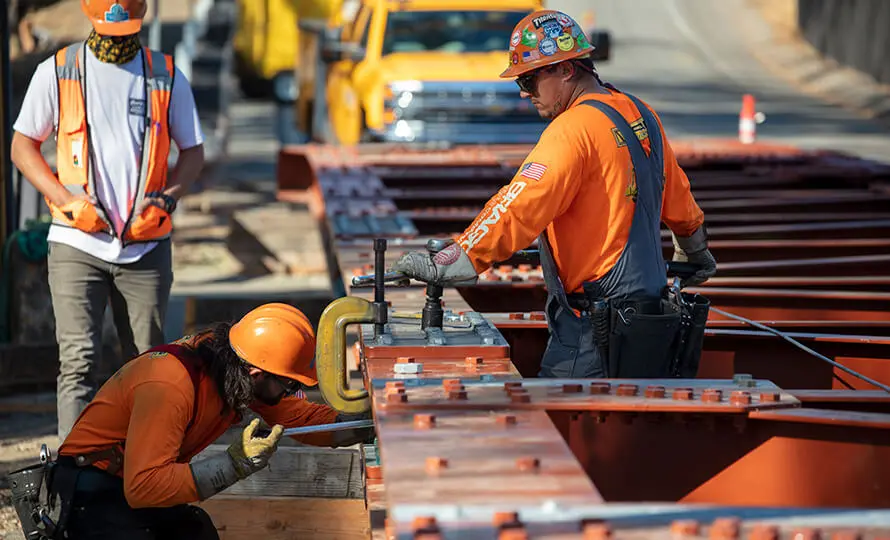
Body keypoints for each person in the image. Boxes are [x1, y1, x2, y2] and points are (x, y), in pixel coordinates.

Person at [391, 10, 717, 379]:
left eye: (530, 79)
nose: (524, 92)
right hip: (652, 326)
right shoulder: (640, 114)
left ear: (565, 70)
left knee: (566, 427)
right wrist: (694, 249)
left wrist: (459, 256)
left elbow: (521, 203)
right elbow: (677, 196)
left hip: (593, 335)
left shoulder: (572, 130)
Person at [10, 0, 206, 441]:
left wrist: (167, 200)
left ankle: (142, 466)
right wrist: (64, 199)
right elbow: (23, 146)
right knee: (78, 361)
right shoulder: (58, 72)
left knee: (148, 364)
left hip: (146, 246)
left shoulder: (164, 75)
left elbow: (192, 152)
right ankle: (75, 473)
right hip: (76, 245)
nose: (118, 38)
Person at [41, 302, 375, 539]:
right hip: (89, 489)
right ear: (257, 374)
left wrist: (360, 425)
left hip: (123, 482)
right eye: (289, 384)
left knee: (195, 529)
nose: (292, 392)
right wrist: (233, 465)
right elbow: (143, 486)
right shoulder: (170, 385)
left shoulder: (232, 367)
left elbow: (296, 416)